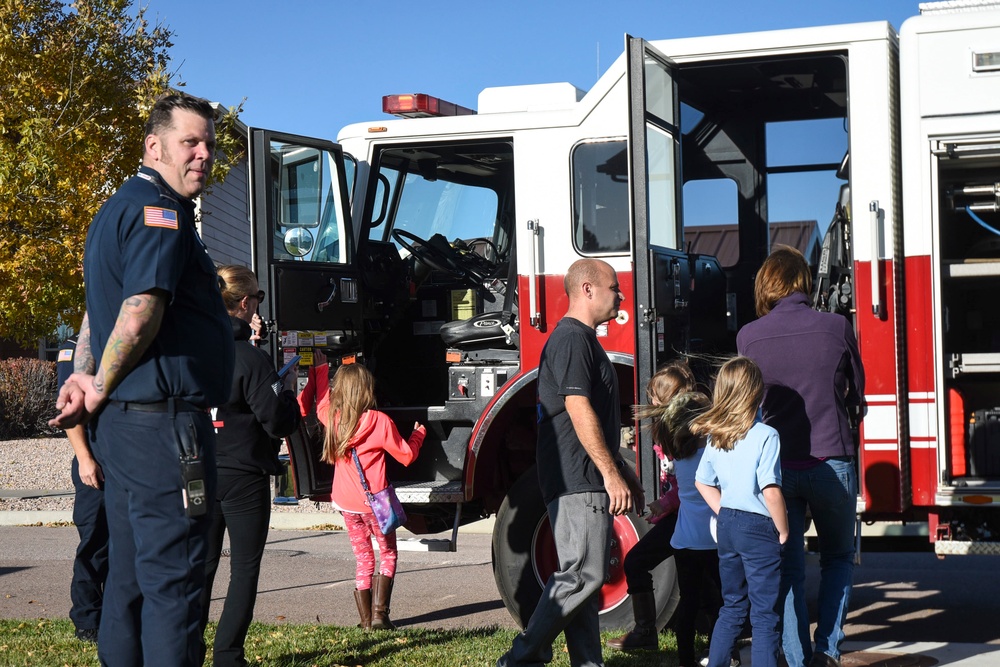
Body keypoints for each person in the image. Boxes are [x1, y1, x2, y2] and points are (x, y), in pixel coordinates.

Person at [50, 92, 235, 667]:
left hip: (125, 432)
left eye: (208, 143)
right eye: (190, 142)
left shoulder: (115, 210)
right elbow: (139, 307)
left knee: (127, 586)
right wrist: (100, 380)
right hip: (162, 428)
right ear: (154, 146)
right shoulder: (162, 211)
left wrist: (84, 377)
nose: (203, 154)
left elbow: (93, 316)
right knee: (175, 585)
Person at [497, 258, 644, 667]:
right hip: (577, 478)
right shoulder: (571, 340)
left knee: (583, 584)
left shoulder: (583, 340)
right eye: (615, 287)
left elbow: (595, 419)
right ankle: (522, 658)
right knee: (583, 575)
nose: (621, 294)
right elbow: (579, 409)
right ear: (587, 290)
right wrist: (610, 473)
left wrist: (624, 473)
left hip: (582, 475)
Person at [736, 245, 865, 667]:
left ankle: (795, 658)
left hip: (778, 469)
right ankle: (826, 653)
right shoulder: (837, 327)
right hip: (833, 460)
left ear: (767, 285)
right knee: (838, 558)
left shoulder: (748, 336)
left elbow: (745, 407)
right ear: (804, 282)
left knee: (788, 568)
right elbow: (858, 398)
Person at [199, 266, 301, 666]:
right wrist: (289, 395)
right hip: (244, 474)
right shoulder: (250, 359)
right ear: (246, 303)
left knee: (200, 566)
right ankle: (227, 654)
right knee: (243, 569)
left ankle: (186, 647)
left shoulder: (195, 351)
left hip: (197, 471)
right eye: (258, 298)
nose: (259, 305)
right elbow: (277, 420)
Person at [307, 362, 425, 630]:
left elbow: (321, 403)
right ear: (366, 390)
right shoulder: (379, 421)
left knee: (363, 559)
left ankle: (364, 621)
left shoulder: (331, 419)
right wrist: (419, 434)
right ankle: (380, 615)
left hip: (347, 505)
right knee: (388, 553)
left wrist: (322, 366)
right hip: (377, 506)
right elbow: (407, 456)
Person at [694, 356, 788, 667]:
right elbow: (771, 490)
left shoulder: (717, 436)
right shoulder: (767, 435)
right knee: (764, 615)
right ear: (757, 395)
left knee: (732, 606)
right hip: (759, 526)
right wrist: (784, 529)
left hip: (728, 525)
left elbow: (702, 481)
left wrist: (724, 510)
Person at [606, 361, 695, 652]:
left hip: (689, 517)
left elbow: (691, 486)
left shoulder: (684, 434)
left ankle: (651, 633)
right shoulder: (669, 429)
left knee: (697, 584)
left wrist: (664, 504)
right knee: (690, 580)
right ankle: (648, 633)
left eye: (654, 395)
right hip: (680, 515)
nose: (650, 400)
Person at [56, 334, 109, 645]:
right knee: (94, 542)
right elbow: (68, 410)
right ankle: (87, 620)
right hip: (94, 458)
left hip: (120, 456)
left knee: (122, 543)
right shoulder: (76, 347)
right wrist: (85, 458)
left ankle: (115, 616)